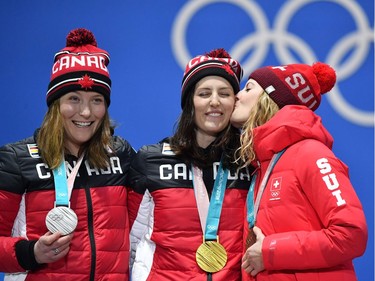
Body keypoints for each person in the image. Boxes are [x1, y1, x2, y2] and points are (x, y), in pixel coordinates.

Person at [0, 28, 135, 280]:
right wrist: (31, 253)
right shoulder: (16, 159)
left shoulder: (120, 155)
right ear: (55, 105)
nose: (85, 112)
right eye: (74, 98)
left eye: (96, 100)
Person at [230, 62, 368, 280]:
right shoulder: (261, 166)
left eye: (248, 88)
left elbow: (351, 233)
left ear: (270, 100)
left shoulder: (311, 154)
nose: (237, 95)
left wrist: (271, 251)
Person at [127, 48, 253, 280]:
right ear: (189, 103)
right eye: (204, 94)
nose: (215, 101)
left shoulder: (249, 162)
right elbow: (131, 242)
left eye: (224, 94)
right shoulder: (151, 160)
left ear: (234, 104)